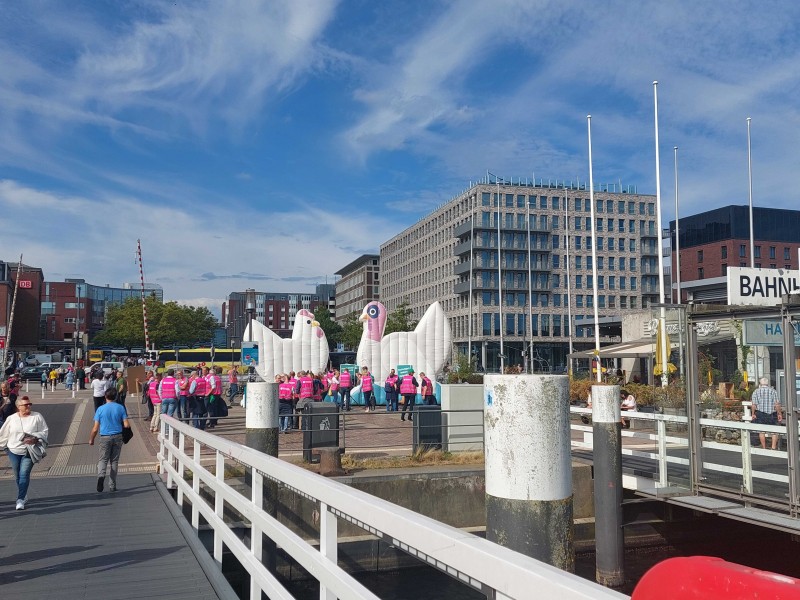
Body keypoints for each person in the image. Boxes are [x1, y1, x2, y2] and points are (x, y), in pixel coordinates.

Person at [0, 396, 49, 510]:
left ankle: (20, 499)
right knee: (17, 474)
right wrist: (5, 447)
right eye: (25, 405)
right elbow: (3, 434)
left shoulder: (37, 416)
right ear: (18, 407)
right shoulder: (11, 418)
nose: (28, 406)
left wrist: (36, 438)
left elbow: (44, 431)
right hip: (13, 450)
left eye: (29, 404)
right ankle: (23, 493)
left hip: (29, 451)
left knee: (24, 473)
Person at [89, 388, 130, 492]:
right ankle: (112, 485)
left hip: (104, 437)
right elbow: (126, 424)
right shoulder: (120, 408)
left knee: (103, 459)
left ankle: (101, 477)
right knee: (114, 461)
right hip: (118, 436)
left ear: (105, 396)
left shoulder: (100, 409)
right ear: (115, 397)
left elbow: (95, 429)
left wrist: (91, 439)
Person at [751, 376, 783, 450]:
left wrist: (753, 413)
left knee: (761, 431)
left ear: (760, 384)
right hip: (772, 413)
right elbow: (777, 404)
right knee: (774, 431)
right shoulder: (773, 391)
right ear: (768, 384)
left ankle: (764, 447)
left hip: (760, 413)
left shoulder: (756, 391)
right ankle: (773, 448)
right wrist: (779, 413)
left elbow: (754, 405)